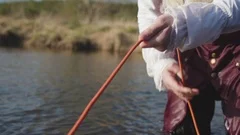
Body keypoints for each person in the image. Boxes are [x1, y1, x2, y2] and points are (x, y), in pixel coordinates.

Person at [138, 0, 240, 135]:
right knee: (180, 127)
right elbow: (149, 12)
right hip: (188, 49)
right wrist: (161, 64)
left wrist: (182, 26)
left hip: (235, 45)